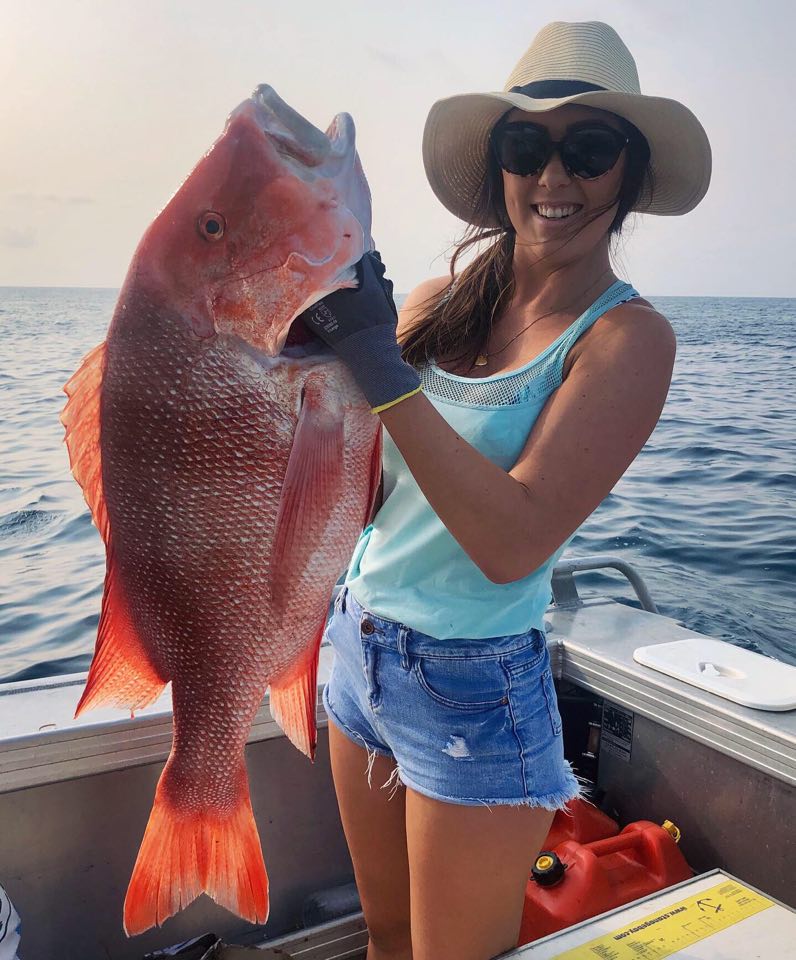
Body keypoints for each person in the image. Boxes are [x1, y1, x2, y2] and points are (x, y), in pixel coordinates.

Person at [301, 20, 711, 960]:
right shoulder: (434, 306)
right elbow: (355, 493)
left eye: (590, 150)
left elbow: (513, 540)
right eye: (528, 147)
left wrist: (378, 366)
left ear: (630, 177)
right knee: (386, 939)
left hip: (471, 684)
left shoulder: (626, 340)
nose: (555, 177)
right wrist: (304, 356)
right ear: (499, 169)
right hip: (358, 642)